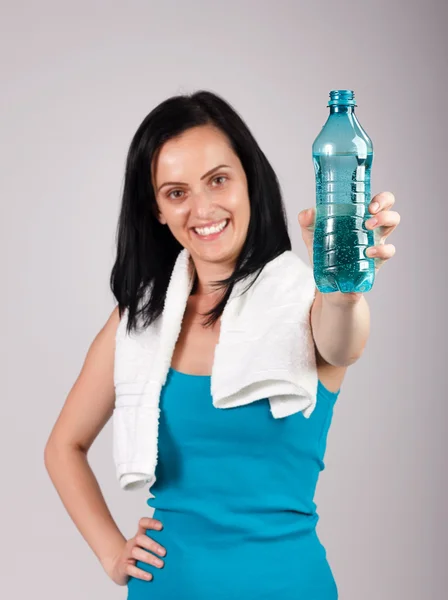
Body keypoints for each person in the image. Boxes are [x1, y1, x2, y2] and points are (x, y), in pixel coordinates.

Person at [44, 90, 400, 598]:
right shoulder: (138, 324)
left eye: (217, 180)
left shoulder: (306, 304)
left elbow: (342, 343)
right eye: (176, 192)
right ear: (158, 211)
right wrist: (110, 550)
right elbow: (63, 446)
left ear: (249, 181)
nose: (202, 208)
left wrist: (342, 292)